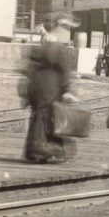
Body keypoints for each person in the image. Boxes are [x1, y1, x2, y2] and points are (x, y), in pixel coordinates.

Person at [22, 13, 79, 163]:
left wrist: (26, 92)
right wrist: (67, 90)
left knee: (39, 117)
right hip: (51, 86)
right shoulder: (59, 47)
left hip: (37, 85)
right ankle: (45, 149)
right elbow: (65, 70)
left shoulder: (42, 45)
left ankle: (36, 150)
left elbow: (29, 68)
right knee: (50, 117)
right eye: (67, 28)